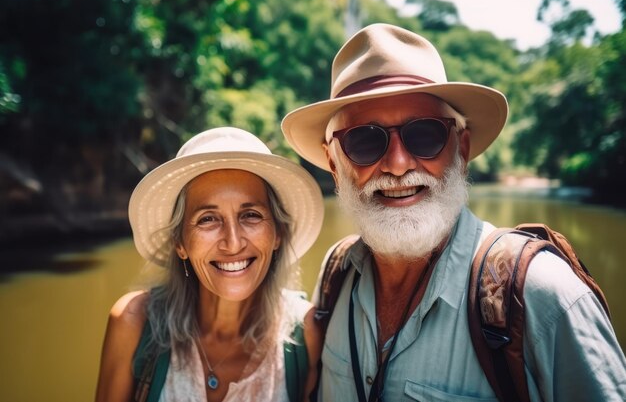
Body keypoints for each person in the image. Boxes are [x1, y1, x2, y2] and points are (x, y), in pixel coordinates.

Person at [281, 23, 626, 401]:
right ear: (333, 163)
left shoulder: (543, 296)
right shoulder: (337, 275)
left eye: (424, 135)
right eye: (364, 141)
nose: (397, 165)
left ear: (461, 150)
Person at [95, 127, 325, 402]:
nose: (233, 242)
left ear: (278, 234)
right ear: (180, 243)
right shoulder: (133, 322)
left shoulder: (306, 334)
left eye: (250, 215)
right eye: (207, 219)